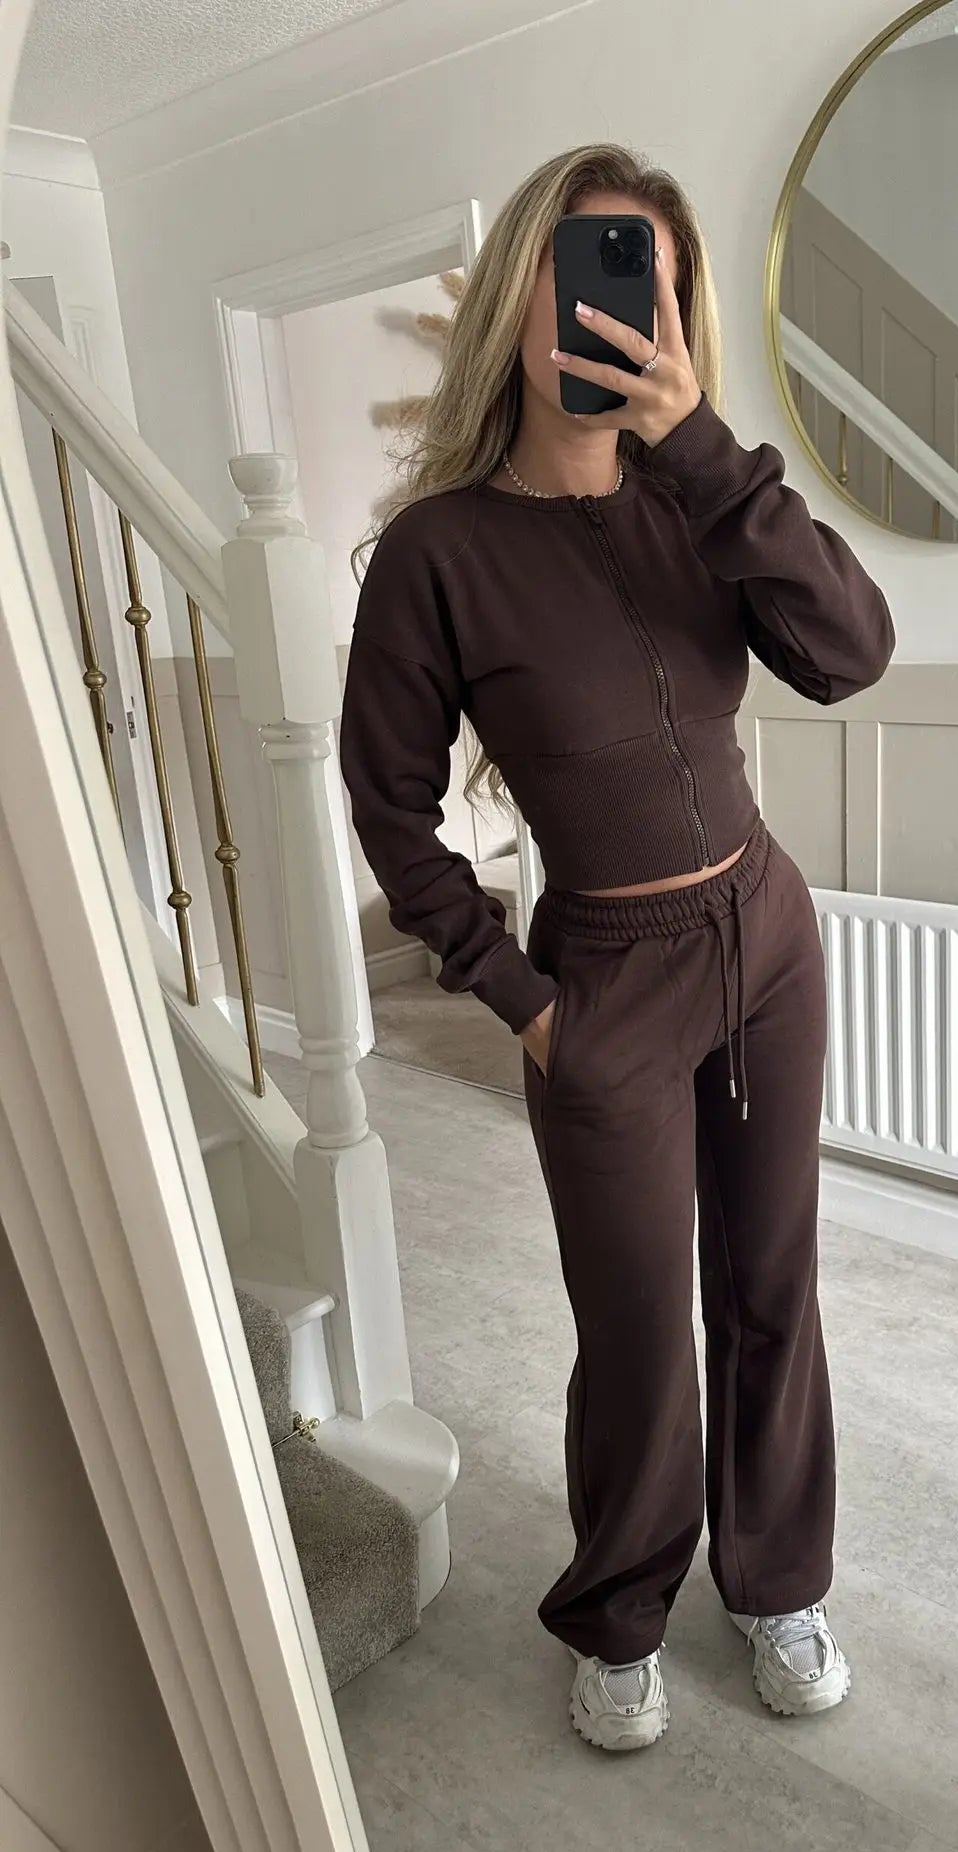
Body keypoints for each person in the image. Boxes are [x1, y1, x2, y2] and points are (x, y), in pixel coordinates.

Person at [339, 143, 895, 1753]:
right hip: (602, 982)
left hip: (767, 938)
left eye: (647, 279)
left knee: (772, 1285)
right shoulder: (438, 554)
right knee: (642, 1326)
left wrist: (701, 446)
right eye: (582, 269)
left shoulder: (699, 499)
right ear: (518, 294)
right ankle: (623, 1606)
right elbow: (389, 813)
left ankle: (777, 1581)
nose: (610, 311)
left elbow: (851, 651)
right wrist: (525, 1004)